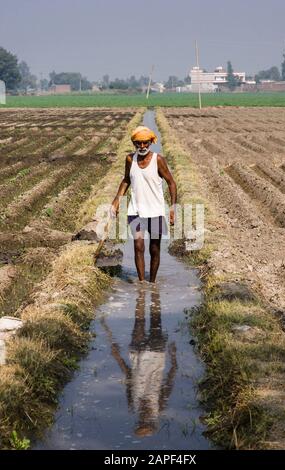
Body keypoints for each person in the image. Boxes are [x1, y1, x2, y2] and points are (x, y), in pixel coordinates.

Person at [100, 284, 177, 437]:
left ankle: (141, 293)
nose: (144, 418)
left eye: (142, 422)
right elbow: (170, 380)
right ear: (153, 421)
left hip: (136, 353)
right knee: (156, 319)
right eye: (147, 422)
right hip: (156, 353)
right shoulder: (159, 406)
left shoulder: (132, 405)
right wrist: (173, 357)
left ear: (139, 420)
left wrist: (117, 356)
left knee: (139, 320)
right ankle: (153, 292)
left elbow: (128, 376)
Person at [110, 126, 177, 283]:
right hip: (136, 211)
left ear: (150, 142)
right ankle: (141, 284)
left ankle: (152, 283)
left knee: (154, 248)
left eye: (145, 143)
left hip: (155, 211)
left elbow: (171, 183)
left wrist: (173, 207)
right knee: (138, 246)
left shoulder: (158, 160)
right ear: (134, 143)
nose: (142, 147)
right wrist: (117, 200)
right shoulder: (129, 159)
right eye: (138, 143)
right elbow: (126, 180)